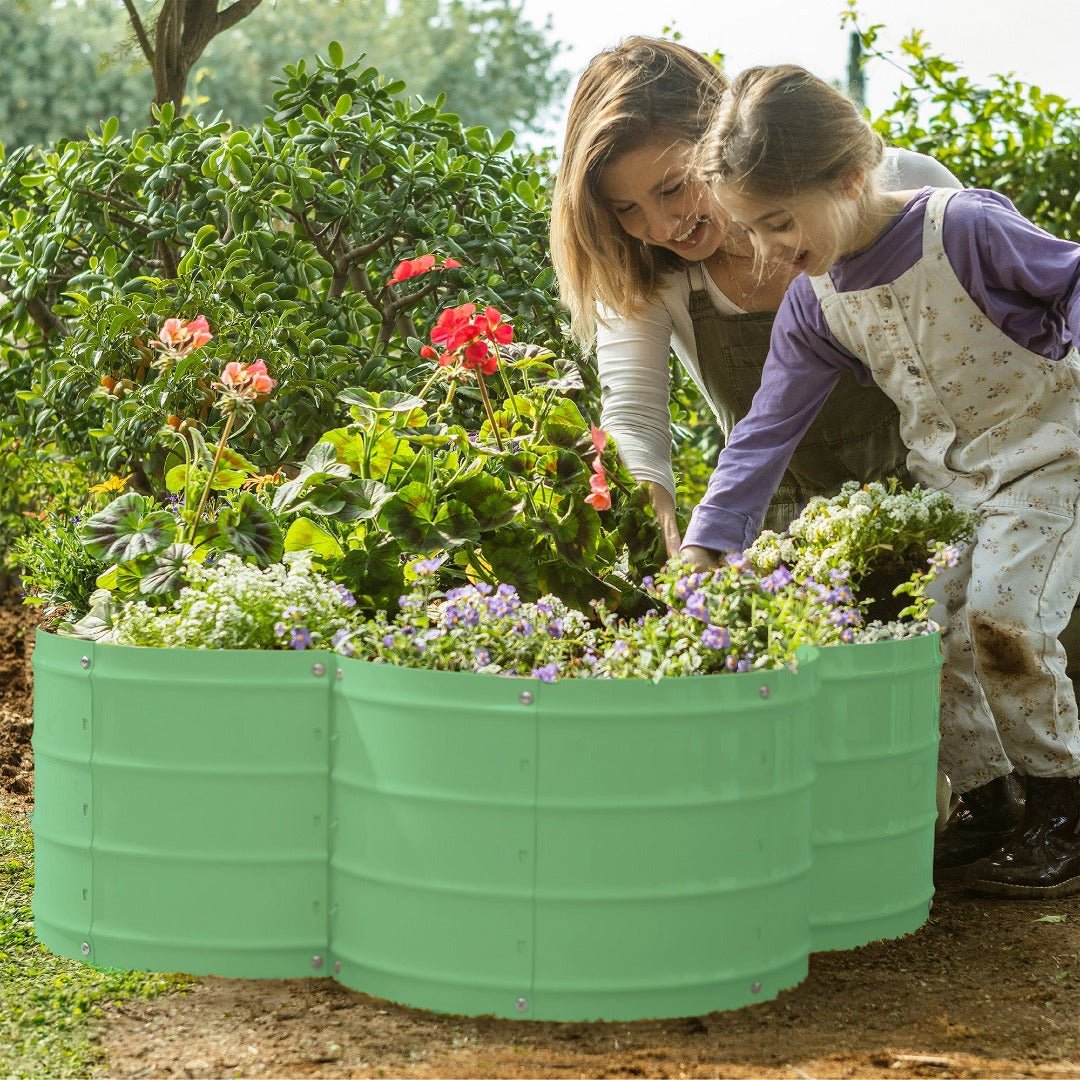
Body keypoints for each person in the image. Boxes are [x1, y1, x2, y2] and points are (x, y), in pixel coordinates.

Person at [689, 63, 1080, 898]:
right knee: (916, 625)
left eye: (779, 221)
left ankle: (1064, 809)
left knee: (1002, 617)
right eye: (750, 230)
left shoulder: (963, 228)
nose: (768, 250)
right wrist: (710, 538)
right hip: (953, 483)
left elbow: (1072, 277)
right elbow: (767, 425)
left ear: (850, 176)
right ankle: (994, 803)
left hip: (1051, 457)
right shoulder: (815, 300)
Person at [549, 36, 963, 557]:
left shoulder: (895, 191)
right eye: (626, 209)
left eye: (674, 187)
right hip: (786, 537)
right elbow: (634, 421)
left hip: (951, 492)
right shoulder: (645, 271)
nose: (659, 226)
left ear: (723, 139)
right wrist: (664, 538)